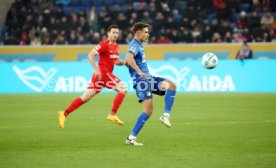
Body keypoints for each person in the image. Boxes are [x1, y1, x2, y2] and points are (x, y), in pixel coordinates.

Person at [58, 25, 127, 128]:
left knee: (85, 98)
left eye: (117, 33)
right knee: (123, 89)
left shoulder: (116, 47)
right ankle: (112, 114)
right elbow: (90, 55)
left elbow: (115, 61)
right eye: (113, 32)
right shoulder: (104, 44)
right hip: (103, 73)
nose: (115, 35)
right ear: (108, 33)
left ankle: (64, 114)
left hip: (100, 76)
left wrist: (124, 63)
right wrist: (96, 69)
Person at [124, 22, 177, 146]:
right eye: (146, 32)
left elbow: (127, 60)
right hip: (142, 82)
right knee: (148, 110)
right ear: (138, 33)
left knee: (171, 85)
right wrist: (138, 71)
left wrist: (123, 63)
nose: (148, 34)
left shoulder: (139, 45)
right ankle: (131, 138)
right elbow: (129, 56)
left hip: (149, 79)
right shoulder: (134, 45)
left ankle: (165, 115)